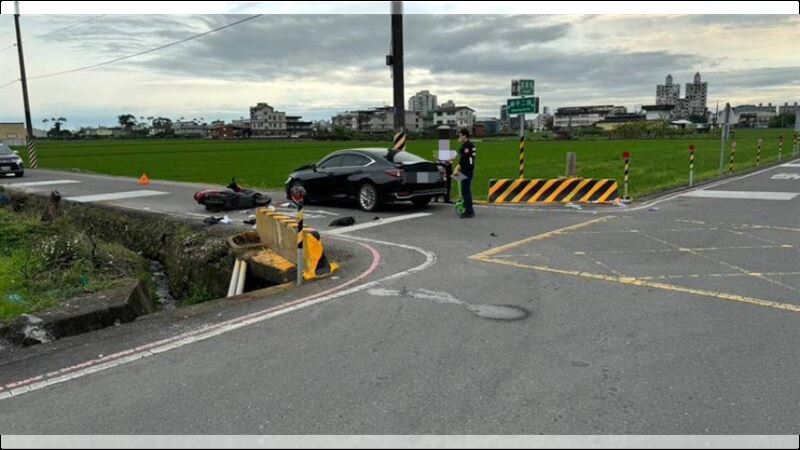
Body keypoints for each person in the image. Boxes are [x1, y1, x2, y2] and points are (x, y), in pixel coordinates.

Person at [452, 128, 476, 218]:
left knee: (465, 191)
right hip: (467, 169)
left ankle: (469, 211)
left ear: (464, 135)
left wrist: (456, 169)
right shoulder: (470, 145)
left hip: (466, 170)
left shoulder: (466, 146)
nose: (459, 137)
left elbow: (463, 160)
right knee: (465, 190)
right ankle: (467, 208)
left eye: (460, 135)